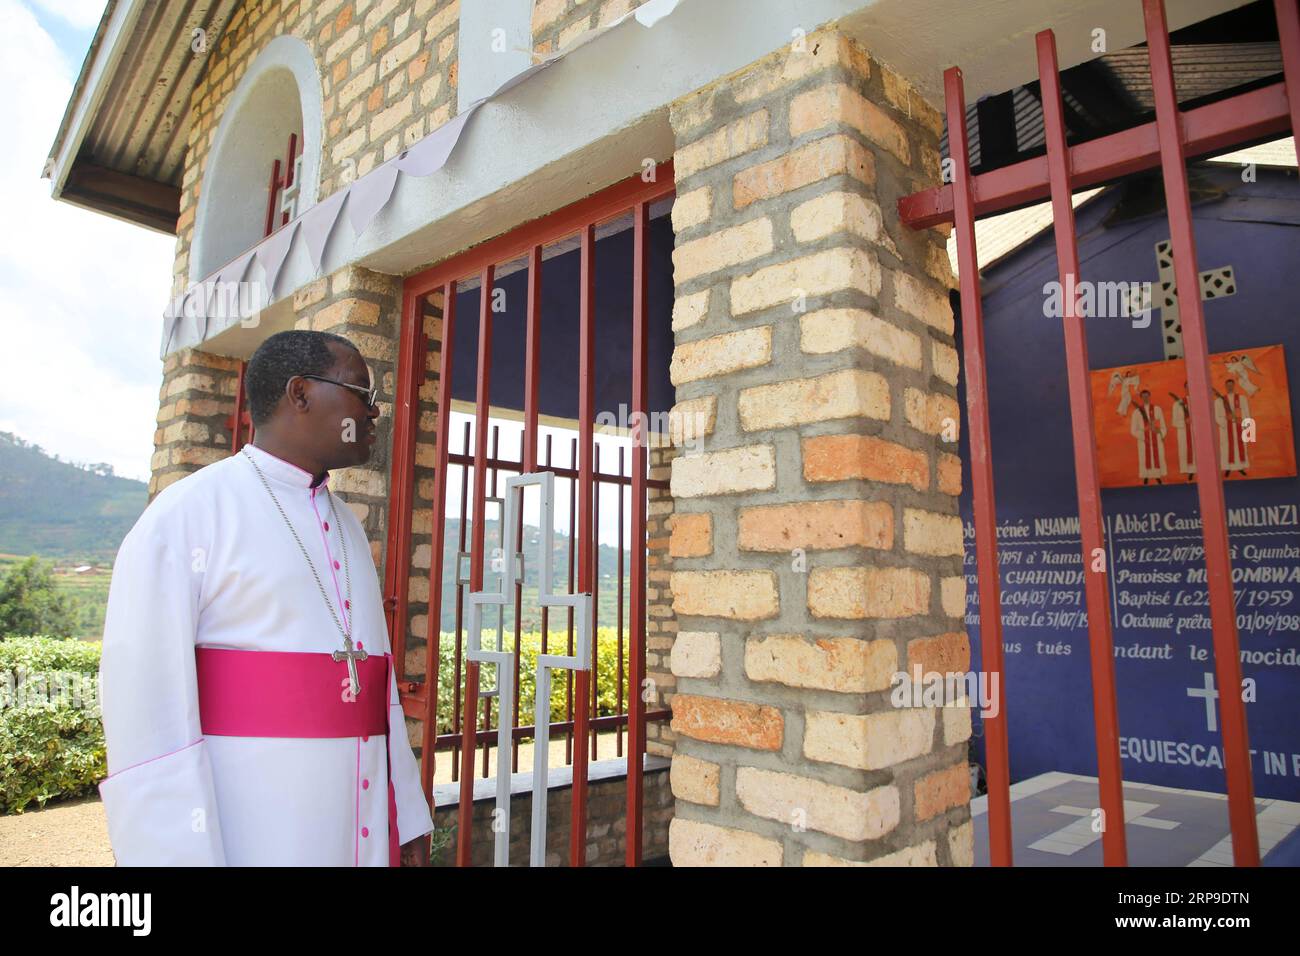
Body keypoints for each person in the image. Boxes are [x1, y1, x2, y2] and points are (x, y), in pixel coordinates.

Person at [98, 330, 434, 865]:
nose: (373, 414)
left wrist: (407, 818)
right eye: (361, 395)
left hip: (361, 832)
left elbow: (378, 690)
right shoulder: (188, 515)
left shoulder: (346, 525)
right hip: (248, 838)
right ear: (299, 393)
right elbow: (148, 714)